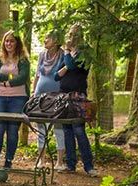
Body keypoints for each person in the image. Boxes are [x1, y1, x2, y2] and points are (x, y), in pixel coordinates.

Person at [55, 24, 98, 177]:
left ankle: (89, 166)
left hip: (78, 96)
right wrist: (66, 64)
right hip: (64, 96)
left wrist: (67, 55)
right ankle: (70, 164)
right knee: (67, 130)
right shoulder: (68, 55)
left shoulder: (84, 52)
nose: (72, 38)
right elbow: (56, 75)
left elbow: (72, 66)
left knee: (79, 130)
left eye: (75, 35)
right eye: (71, 34)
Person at [0, 30, 30, 169]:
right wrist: (11, 77)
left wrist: (6, 80)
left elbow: (23, 77)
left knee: (12, 131)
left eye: (11, 41)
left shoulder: (23, 59)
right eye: (6, 41)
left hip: (18, 98)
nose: (8, 43)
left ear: (17, 43)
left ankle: (9, 160)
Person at [32, 31, 67, 170]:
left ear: (56, 40)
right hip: (40, 95)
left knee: (58, 127)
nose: (45, 39)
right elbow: (37, 74)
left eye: (48, 37)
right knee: (41, 128)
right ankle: (41, 160)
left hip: (57, 96)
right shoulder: (42, 54)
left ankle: (59, 162)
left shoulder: (63, 55)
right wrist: (34, 92)